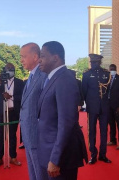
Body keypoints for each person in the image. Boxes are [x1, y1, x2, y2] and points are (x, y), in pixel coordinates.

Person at [38, 41, 88, 180]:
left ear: (55, 57)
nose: (39, 60)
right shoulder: (52, 78)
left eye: (42, 56)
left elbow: (66, 123)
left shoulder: (64, 79)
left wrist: (55, 159)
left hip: (61, 157)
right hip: (48, 150)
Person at [19, 42, 47, 180]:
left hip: (37, 135)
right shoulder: (31, 76)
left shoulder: (43, 77)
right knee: (33, 174)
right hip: (28, 134)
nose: (21, 60)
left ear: (35, 56)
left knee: (40, 173)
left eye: (24, 56)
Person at [0, 63, 24, 168]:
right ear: (4, 70)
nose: (10, 70)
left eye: (12, 69)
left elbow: (23, 96)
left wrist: (11, 97)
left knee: (12, 135)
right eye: (8, 69)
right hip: (1, 112)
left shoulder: (19, 82)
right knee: (1, 135)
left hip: (14, 112)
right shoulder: (0, 81)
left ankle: (13, 157)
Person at [82, 53, 111, 164]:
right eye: (92, 62)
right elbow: (83, 91)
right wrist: (88, 103)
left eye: (95, 62)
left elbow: (108, 91)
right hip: (92, 107)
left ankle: (103, 155)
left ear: (100, 62)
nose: (93, 64)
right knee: (92, 132)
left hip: (104, 107)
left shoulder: (106, 74)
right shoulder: (87, 74)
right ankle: (93, 154)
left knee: (104, 132)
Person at [107, 64, 119, 150]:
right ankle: (112, 140)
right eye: (111, 69)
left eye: (113, 69)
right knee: (111, 123)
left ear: (116, 69)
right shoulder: (107, 79)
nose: (112, 70)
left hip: (117, 106)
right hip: (108, 105)